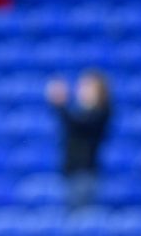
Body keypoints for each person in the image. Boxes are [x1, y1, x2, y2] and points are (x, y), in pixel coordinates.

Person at [46, 72, 111, 208]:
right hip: (72, 172)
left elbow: (78, 125)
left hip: (84, 173)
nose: (81, 91)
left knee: (80, 215)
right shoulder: (84, 112)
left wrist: (60, 104)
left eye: (87, 88)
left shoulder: (101, 113)